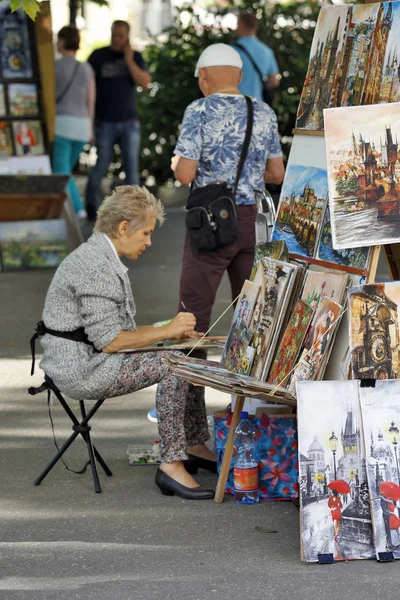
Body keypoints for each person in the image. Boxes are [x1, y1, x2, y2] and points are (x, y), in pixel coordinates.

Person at [38, 185, 216, 500]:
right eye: (146, 233)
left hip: (95, 356)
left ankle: (194, 444)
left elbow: (114, 333)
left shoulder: (102, 255)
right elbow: (111, 342)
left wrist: (170, 332)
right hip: (83, 368)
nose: (149, 241)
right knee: (175, 364)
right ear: (123, 228)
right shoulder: (95, 267)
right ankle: (171, 464)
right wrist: (166, 331)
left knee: (192, 350)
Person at [172, 43, 284, 337]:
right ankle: (249, 379)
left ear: (204, 76)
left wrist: (177, 163)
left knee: (193, 313)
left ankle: (187, 383)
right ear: (239, 76)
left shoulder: (199, 110)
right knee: (252, 313)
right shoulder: (263, 112)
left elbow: (185, 174)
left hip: (211, 222)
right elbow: (276, 173)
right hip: (252, 223)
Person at [85, 20, 151, 220]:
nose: (116, 39)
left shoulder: (135, 57)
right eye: (114, 34)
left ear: (127, 37)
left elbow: (146, 82)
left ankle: (135, 212)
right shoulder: (98, 56)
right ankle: (90, 205)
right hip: (105, 121)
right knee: (101, 164)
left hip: (129, 121)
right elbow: (86, 87)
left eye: (121, 36)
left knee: (131, 167)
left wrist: (129, 59)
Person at [53, 26, 95, 218]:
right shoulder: (86, 68)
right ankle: (71, 210)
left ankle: (77, 209)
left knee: (61, 174)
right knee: (65, 171)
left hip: (61, 125)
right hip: (82, 127)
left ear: (61, 41)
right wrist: (91, 127)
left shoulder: (54, 66)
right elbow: (90, 100)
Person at [233, 12, 280, 103]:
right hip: (257, 106)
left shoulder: (231, 50)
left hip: (234, 105)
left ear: (241, 25)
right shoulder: (267, 51)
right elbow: (274, 81)